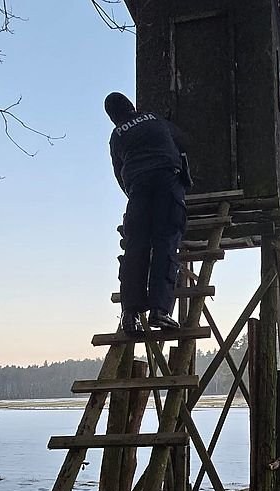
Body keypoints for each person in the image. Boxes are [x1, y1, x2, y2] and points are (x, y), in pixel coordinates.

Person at [104, 92, 190, 334]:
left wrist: (133, 193)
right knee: (165, 242)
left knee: (135, 249)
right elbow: (183, 141)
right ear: (131, 105)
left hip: (138, 188)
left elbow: (118, 172)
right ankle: (160, 312)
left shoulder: (117, 135)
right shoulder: (154, 119)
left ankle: (130, 315)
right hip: (167, 181)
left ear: (113, 117)